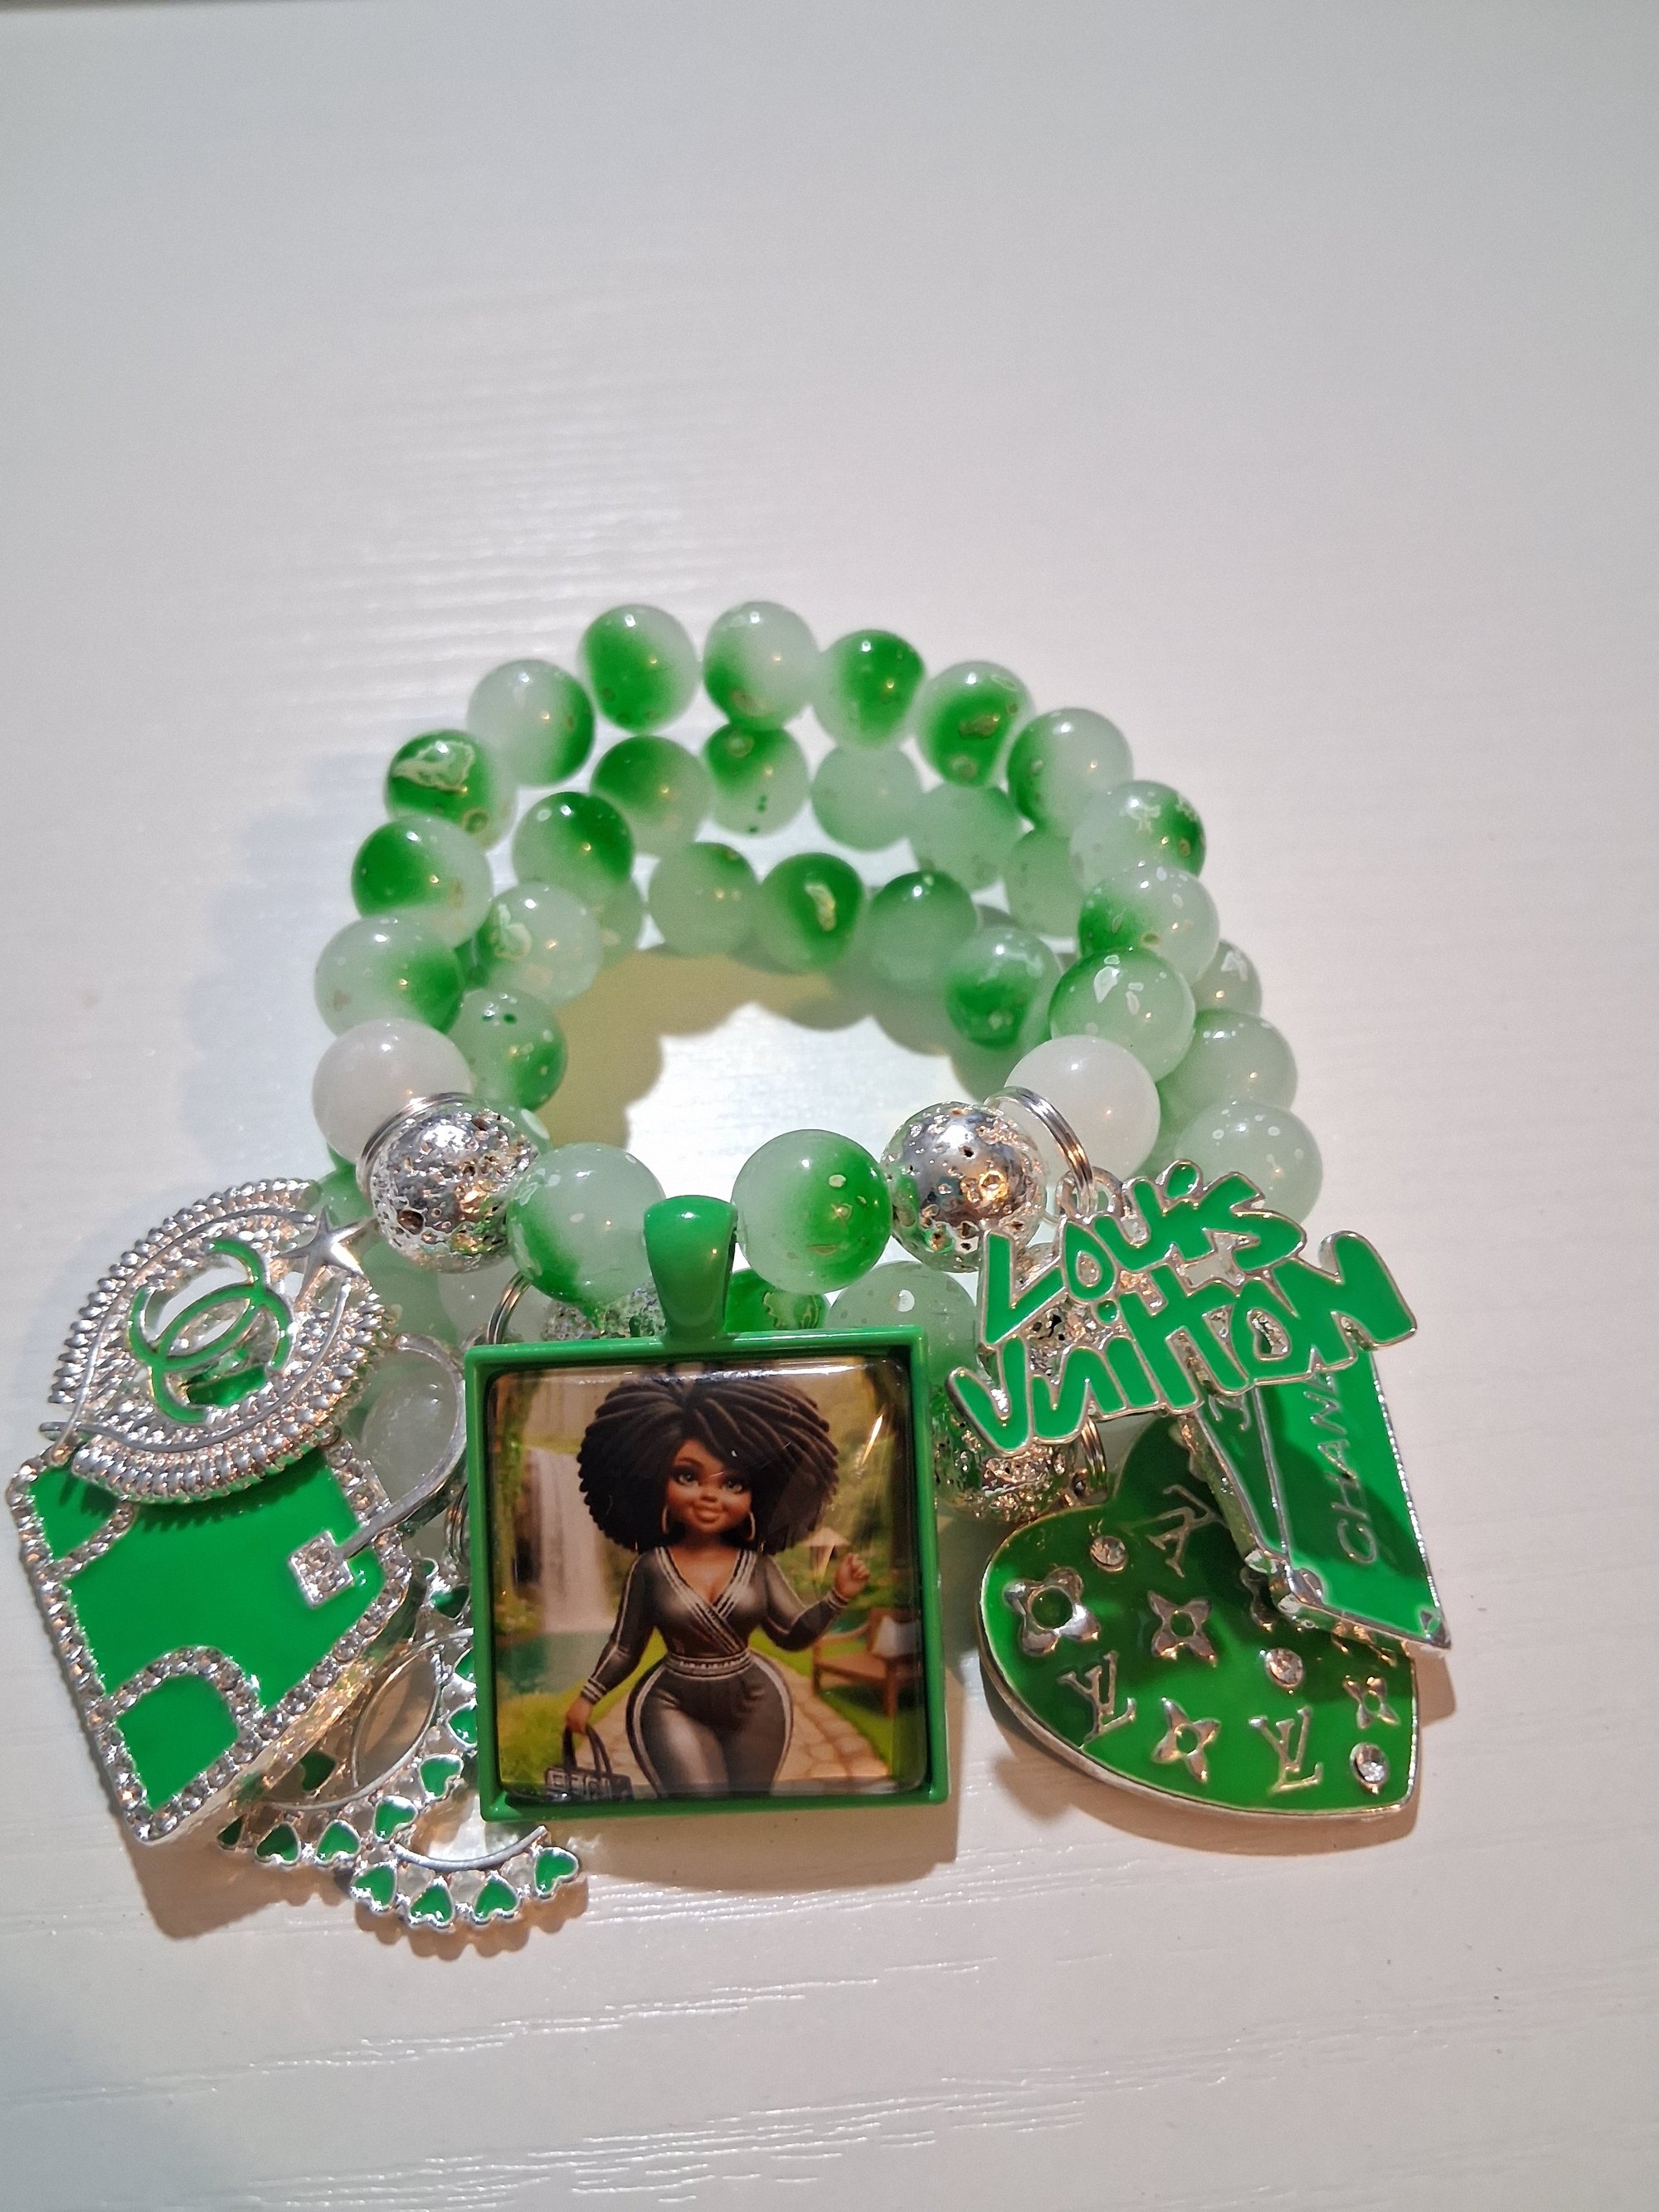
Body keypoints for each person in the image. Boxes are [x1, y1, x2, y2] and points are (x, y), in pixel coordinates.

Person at [562, 1370, 871, 1796]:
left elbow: (790, 1635)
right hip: (671, 1704)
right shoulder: (651, 1568)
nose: (710, 1495)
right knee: (695, 1799)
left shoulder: (757, 1566)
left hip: (756, 1702)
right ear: (656, 1480)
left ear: (757, 1495)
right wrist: (589, 1696)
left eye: (733, 1483)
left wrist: (837, 1597)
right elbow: (625, 1646)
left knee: (751, 1803)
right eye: (687, 1476)